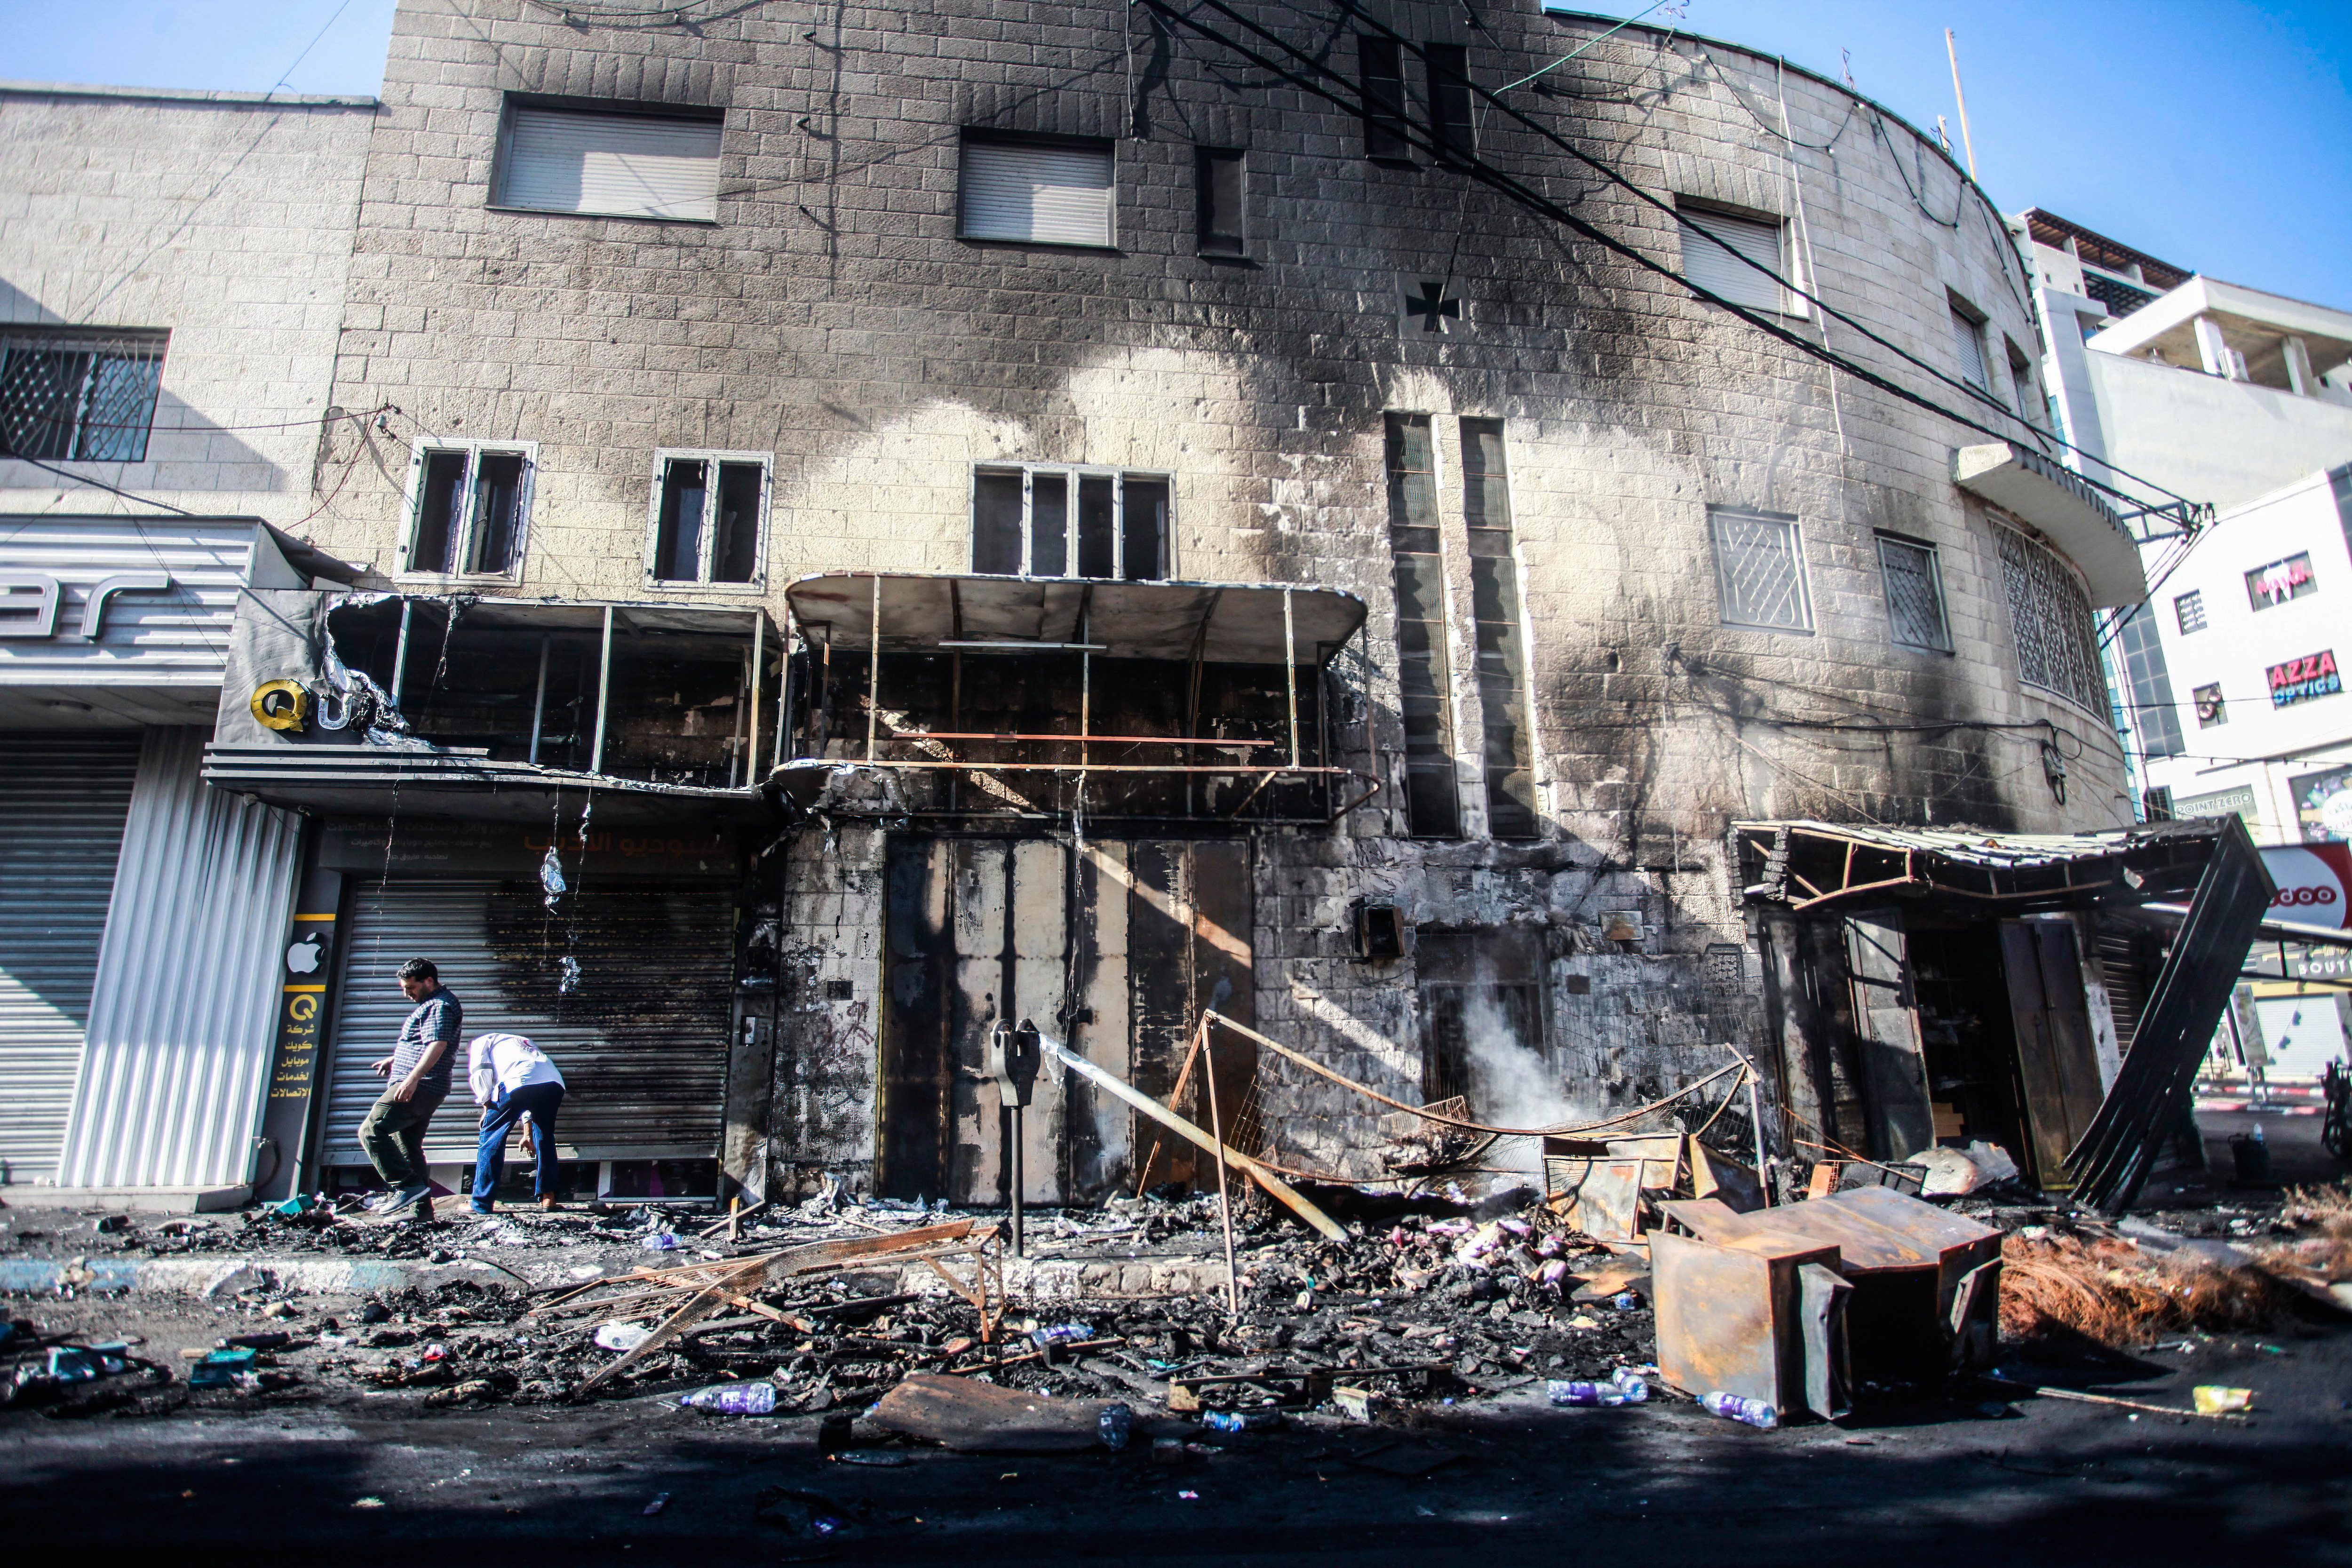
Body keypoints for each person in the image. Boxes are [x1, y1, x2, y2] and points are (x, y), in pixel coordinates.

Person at [359, 958, 461, 1215]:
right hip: (424, 1086)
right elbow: (423, 1042)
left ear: (429, 981)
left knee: (371, 1131)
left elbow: (437, 1044)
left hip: (421, 1086)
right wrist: (397, 1059)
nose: (407, 994)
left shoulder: (439, 1006)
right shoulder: (433, 1004)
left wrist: (411, 1079)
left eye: (411, 988)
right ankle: (421, 1212)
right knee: (407, 1145)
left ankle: (404, 1187)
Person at [467, 1032, 567, 1215]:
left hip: (518, 1081)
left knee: (491, 1139)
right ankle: (549, 1197)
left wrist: (486, 1106)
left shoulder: (480, 1042)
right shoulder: (521, 1042)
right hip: (554, 1083)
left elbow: (481, 1072)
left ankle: (481, 1203)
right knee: (545, 1137)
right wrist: (527, 1134)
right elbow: (529, 1095)